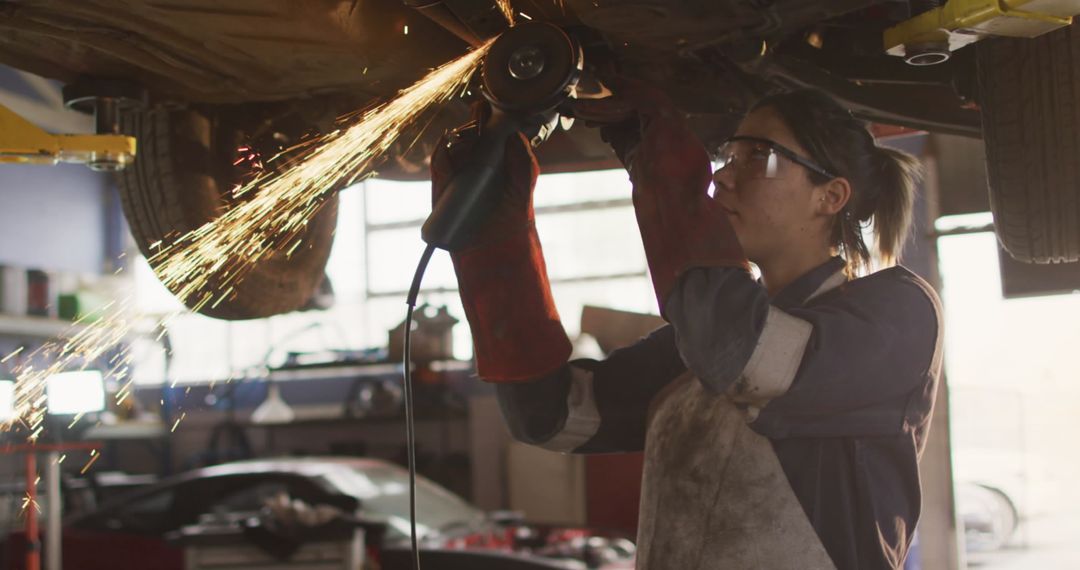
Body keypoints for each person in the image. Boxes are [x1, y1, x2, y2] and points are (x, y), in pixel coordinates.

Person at [430, 82, 943, 570]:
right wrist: (495, 242)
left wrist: (660, 164)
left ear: (830, 196)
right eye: (728, 156)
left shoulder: (896, 314)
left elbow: (746, 356)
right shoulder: (696, 347)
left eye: (758, 158)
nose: (721, 177)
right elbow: (550, 415)